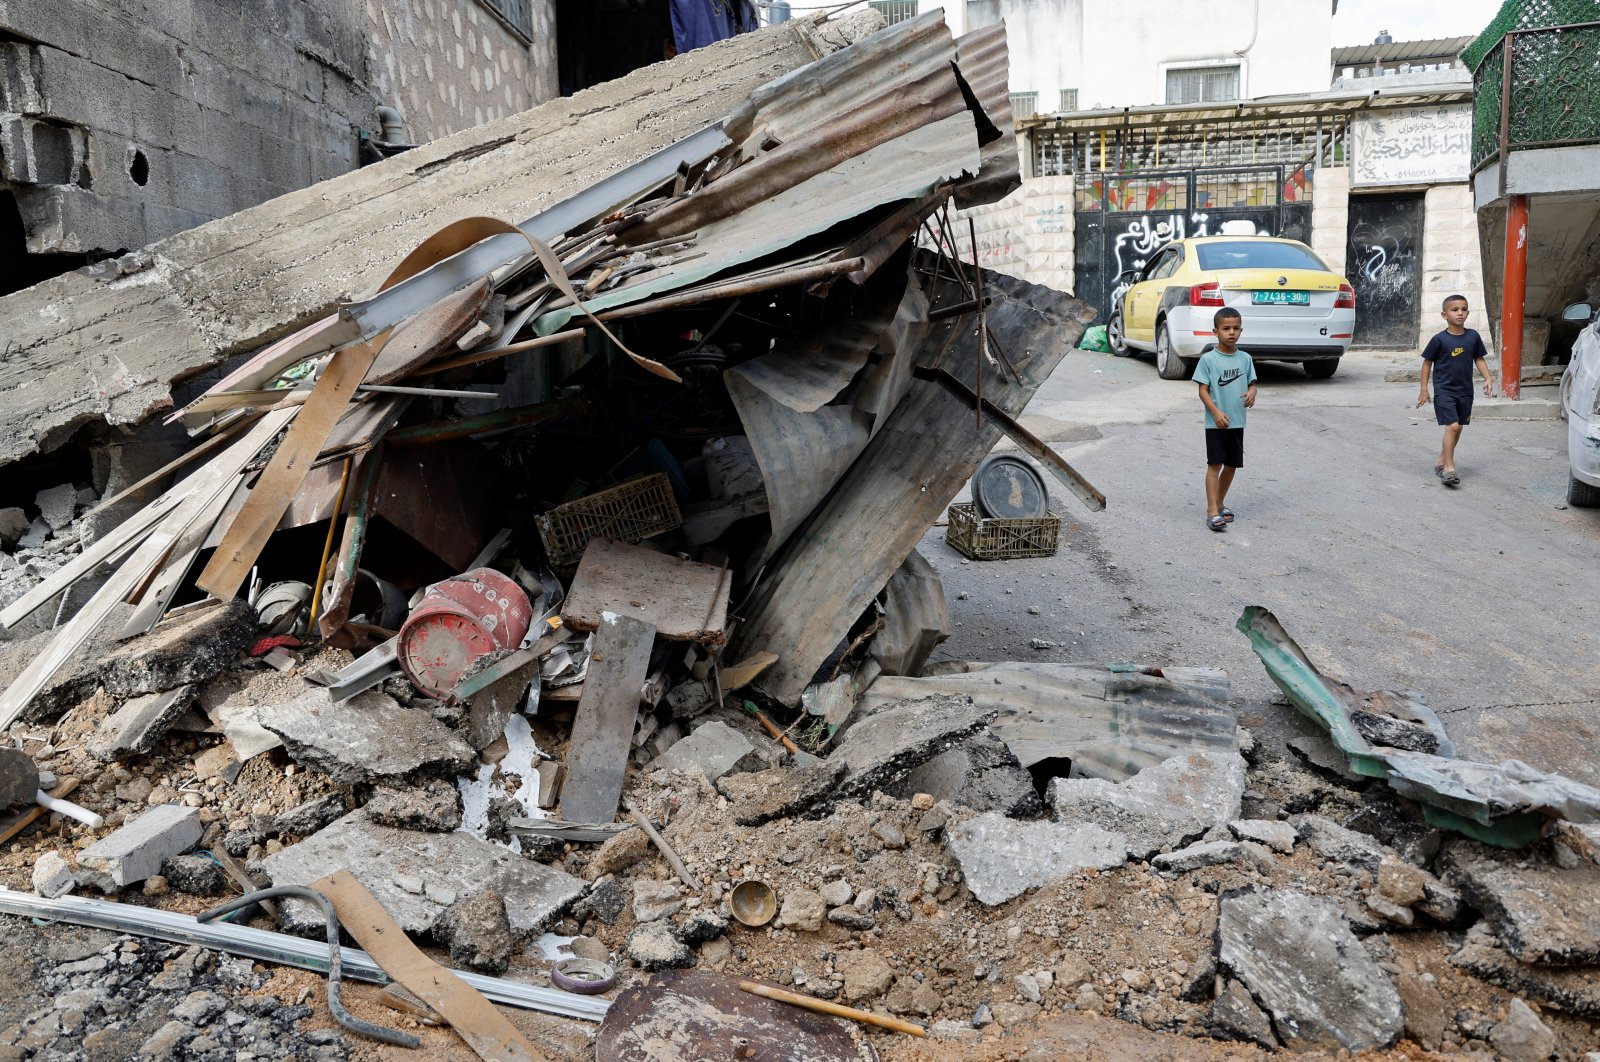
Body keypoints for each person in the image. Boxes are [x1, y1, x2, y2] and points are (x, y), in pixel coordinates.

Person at [1416, 294, 1495, 487]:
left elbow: (1479, 358)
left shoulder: (1473, 336)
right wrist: (1424, 389)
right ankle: (1449, 468)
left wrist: (1488, 378)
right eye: (1455, 310)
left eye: (1464, 309)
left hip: (1465, 391)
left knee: (1458, 427)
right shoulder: (1439, 340)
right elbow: (1427, 364)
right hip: (1444, 390)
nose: (1460, 313)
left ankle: (1441, 459)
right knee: (1452, 426)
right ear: (1444, 315)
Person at [1194, 307, 1258, 532]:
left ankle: (1220, 503)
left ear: (1241, 330)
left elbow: (1252, 383)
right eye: (1226, 328)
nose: (1231, 333)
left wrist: (1252, 391)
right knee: (1215, 465)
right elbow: (1202, 390)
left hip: (1237, 421)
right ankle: (1212, 510)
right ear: (1216, 331)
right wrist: (1215, 412)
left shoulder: (1245, 359)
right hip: (1216, 423)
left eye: (1236, 328)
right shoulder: (1209, 360)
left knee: (1231, 465)